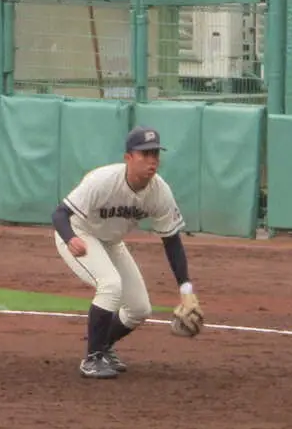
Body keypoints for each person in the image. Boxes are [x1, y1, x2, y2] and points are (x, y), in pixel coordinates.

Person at [52, 126, 200, 379]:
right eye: (144, 154)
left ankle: (103, 347)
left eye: (155, 153)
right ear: (128, 158)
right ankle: (92, 359)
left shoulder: (159, 192)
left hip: (111, 242)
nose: (152, 160)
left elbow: (172, 241)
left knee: (139, 309)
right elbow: (60, 214)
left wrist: (187, 291)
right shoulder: (104, 181)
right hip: (80, 234)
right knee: (110, 285)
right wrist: (70, 238)